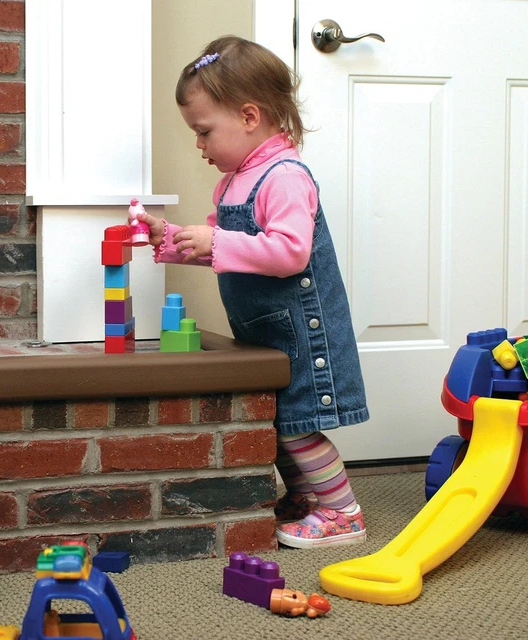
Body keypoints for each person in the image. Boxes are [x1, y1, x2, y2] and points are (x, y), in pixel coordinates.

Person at [136, 36, 370, 549]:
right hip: (266, 330)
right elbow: (225, 250)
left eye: (203, 133)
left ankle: (342, 511)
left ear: (248, 116)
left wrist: (216, 239)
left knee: (299, 424)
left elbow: (289, 252)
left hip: (302, 330)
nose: (200, 146)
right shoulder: (234, 182)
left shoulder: (284, 176)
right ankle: (309, 498)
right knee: (280, 420)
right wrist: (171, 241)